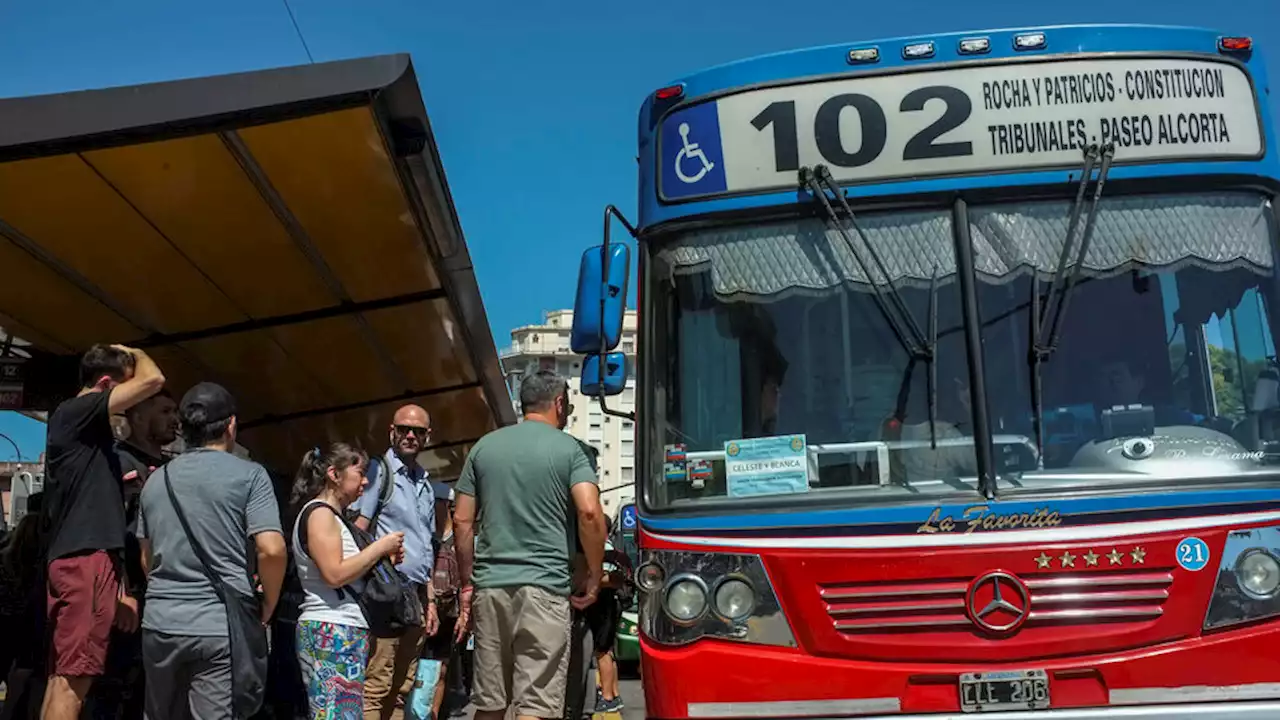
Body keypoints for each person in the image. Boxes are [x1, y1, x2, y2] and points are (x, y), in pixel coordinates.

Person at [454, 371, 607, 720]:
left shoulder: (484, 447)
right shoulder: (571, 449)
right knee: (535, 706)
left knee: (490, 703)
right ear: (558, 403)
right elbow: (588, 511)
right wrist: (595, 574)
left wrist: (468, 582)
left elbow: (462, 520)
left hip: (490, 588)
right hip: (545, 588)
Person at [135, 382, 287, 720]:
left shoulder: (157, 480)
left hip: (160, 622)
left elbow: (146, 556)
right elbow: (272, 550)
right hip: (219, 625)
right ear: (231, 425)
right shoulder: (251, 476)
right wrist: (267, 604)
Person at [41, 344, 165, 720]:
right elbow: (155, 380)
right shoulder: (77, 411)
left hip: (87, 560)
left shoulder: (85, 432)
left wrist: (121, 588)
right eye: (123, 396)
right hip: (86, 561)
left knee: (62, 679)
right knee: (73, 682)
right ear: (107, 385)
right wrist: (136, 352)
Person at [290, 443, 406, 719]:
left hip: (342, 629)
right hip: (331, 628)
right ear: (334, 474)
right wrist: (379, 547)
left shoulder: (333, 517)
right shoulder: (320, 514)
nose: (365, 481)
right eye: (360, 472)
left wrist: (382, 559)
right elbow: (334, 574)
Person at [89, 390, 179, 719]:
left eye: (176, 412)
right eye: (166, 410)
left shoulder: (174, 470)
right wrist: (121, 591)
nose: (175, 419)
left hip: (167, 599)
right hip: (128, 599)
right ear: (137, 416)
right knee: (114, 692)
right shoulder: (117, 461)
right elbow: (106, 529)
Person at [350, 405, 441, 720]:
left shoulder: (424, 483)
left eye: (418, 431)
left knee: (403, 688)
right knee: (376, 686)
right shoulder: (379, 472)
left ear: (427, 437)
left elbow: (426, 546)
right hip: (385, 593)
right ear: (392, 431)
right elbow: (358, 530)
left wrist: (429, 600)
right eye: (404, 429)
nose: (410, 436)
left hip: (414, 594)